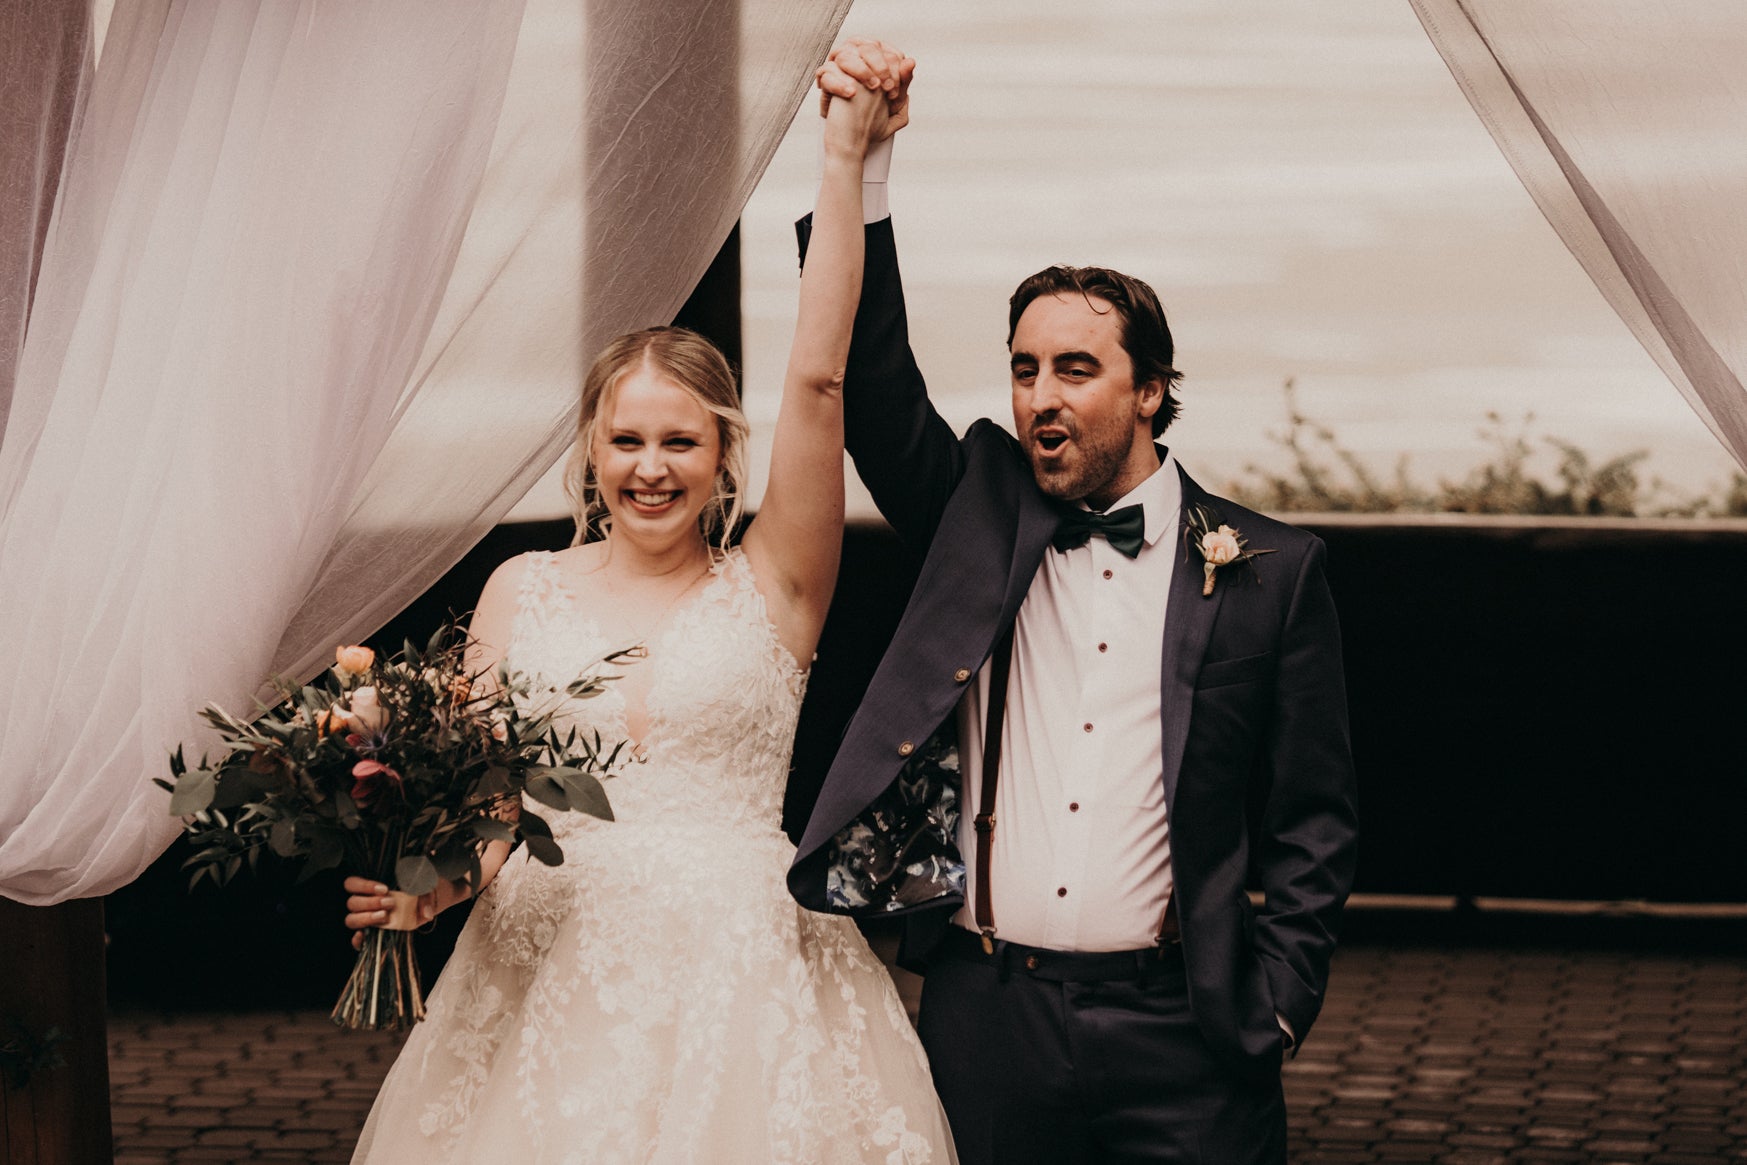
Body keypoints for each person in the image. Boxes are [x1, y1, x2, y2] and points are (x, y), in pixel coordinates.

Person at [341, 74, 957, 1165]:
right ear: (589, 448)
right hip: (539, 978)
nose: (651, 468)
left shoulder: (777, 581)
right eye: (627, 440)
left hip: (741, 981)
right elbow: (493, 804)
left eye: (681, 442)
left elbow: (819, 382)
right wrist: (424, 898)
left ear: (724, 457)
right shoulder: (518, 589)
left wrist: (846, 159)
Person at [788, 39, 1360, 1164]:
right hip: (982, 1015)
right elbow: (871, 377)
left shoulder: (1270, 570)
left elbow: (1312, 818)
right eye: (1022, 368)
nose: (1039, 396)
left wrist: (1278, 1001)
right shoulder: (980, 511)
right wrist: (866, 171)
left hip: (1184, 1032)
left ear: (1149, 389)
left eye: (1075, 370)